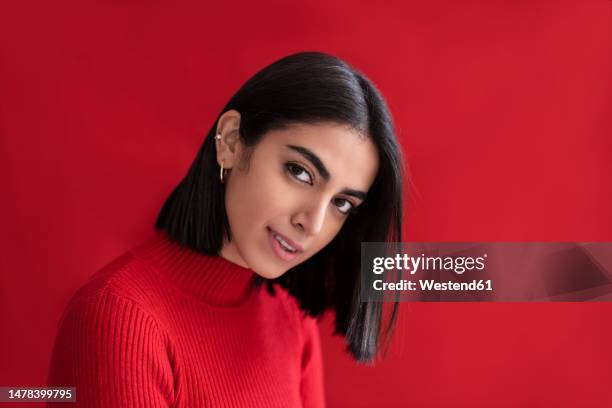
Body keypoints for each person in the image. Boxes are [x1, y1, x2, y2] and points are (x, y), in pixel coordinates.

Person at [46, 51, 405, 407]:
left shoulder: (291, 321)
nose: (312, 224)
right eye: (299, 172)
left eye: (341, 203)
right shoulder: (117, 319)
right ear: (231, 141)